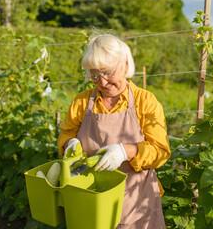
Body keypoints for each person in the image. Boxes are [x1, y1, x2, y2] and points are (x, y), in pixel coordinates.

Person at [57, 34, 171, 229]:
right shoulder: (82, 101)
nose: (102, 82)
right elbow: (66, 134)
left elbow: (160, 151)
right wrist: (70, 144)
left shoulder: (145, 102)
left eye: (108, 72)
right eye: (94, 75)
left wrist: (125, 151)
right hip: (91, 197)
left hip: (136, 202)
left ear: (125, 65)